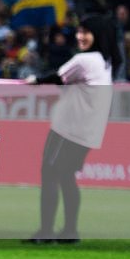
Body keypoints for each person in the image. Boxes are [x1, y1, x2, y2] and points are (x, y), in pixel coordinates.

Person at [26, 14, 119, 243]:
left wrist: (34, 80)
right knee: (67, 177)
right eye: (79, 31)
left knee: (50, 174)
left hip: (68, 129)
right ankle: (69, 232)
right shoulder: (106, 61)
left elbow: (57, 77)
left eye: (85, 32)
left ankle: (46, 232)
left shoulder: (85, 59)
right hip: (89, 133)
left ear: (96, 34)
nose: (80, 36)